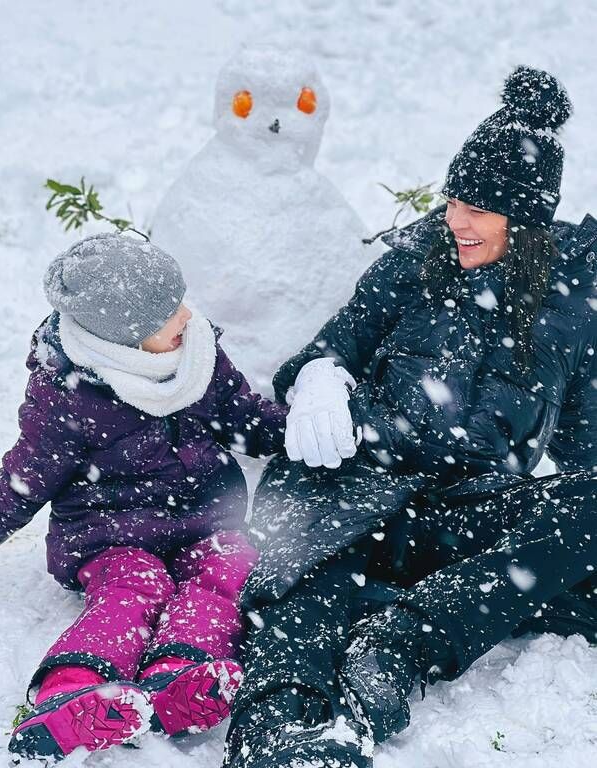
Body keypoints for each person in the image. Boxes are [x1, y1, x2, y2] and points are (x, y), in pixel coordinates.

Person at [221, 66, 597, 768]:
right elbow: (335, 344)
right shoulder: (412, 265)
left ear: (528, 222)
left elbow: (587, 458)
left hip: (454, 512)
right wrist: (319, 377)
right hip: (346, 484)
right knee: (309, 582)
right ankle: (277, 730)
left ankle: (401, 643)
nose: (456, 219)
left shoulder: (573, 310)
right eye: (454, 199)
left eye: (479, 210)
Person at [0, 233, 287, 761]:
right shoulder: (68, 392)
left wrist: (315, 434)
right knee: (133, 591)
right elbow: (22, 482)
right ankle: (71, 693)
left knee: (228, 572)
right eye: (167, 315)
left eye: (180, 300)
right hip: (110, 533)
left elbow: (247, 419)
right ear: (124, 337)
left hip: (207, 521)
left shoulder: (197, 356)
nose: (187, 317)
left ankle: (177, 681)